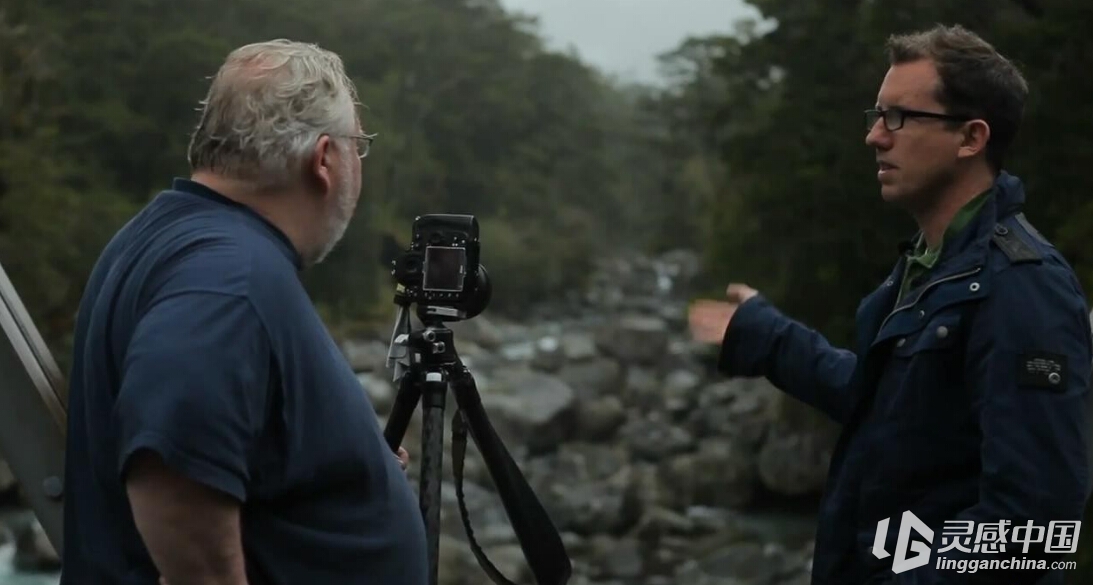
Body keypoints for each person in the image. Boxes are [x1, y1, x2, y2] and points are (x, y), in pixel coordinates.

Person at [689, 24, 1092, 585]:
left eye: (899, 117)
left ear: (971, 137)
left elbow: (1034, 529)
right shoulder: (929, 265)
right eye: (876, 116)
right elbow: (891, 406)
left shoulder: (1025, 288)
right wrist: (768, 335)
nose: (876, 137)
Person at [59, 39, 427, 585]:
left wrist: (340, 461)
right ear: (324, 158)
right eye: (359, 145)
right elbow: (174, 462)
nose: (358, 162)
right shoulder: (229, 279)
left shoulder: (179, 237)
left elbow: (220, 427)